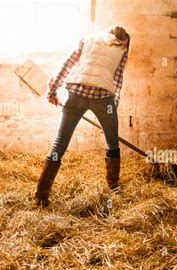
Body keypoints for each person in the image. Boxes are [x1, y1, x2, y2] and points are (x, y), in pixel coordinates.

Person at [34, 26, 130, 207]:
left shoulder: (87, 39)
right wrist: (110, 112)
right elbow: (117, 79)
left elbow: (67, 63)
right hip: (103, 99)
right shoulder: (122, 48)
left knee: (59, 144)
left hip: (75, 94)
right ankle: (114, 189)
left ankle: (41, 194)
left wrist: (52, 90)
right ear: (123, 40)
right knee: (112, 143)